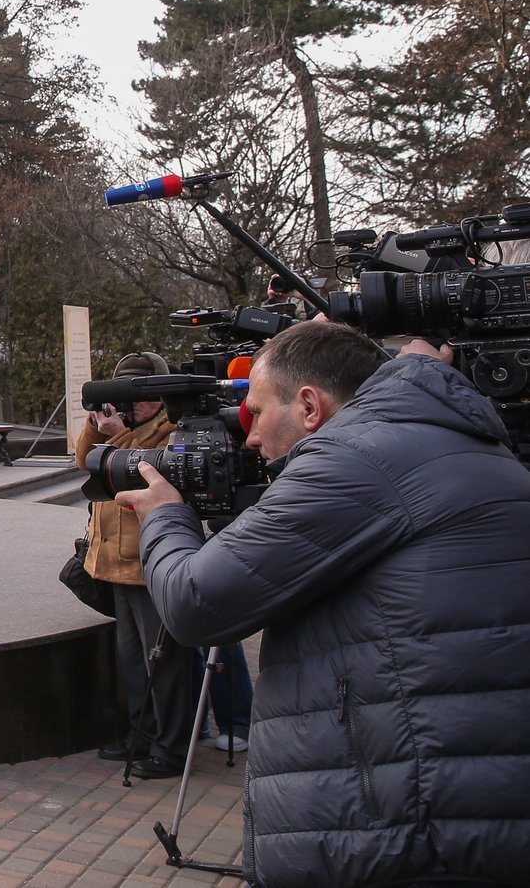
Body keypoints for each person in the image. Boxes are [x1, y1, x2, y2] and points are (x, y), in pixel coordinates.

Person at [120, 320, 530, 887]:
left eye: (258, 413)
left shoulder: (359, 459)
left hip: (412, 827)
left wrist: (164, 513)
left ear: (309, 406)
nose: (251, 440)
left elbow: (195, 603)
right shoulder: (434, 437)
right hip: (453, 800)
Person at [74, 350, 194, 779]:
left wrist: (119, 436)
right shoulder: (125, 428)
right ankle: (141, 735)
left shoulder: (173, 431)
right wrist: (96, 426)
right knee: (131, 661)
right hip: (115, 564)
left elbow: (142, 472)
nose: (131, 404)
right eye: (123, 392)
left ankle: (172, 747)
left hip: (149, 566)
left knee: (162, 662)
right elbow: (86, 462)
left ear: (159, 396)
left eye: (139, 395)